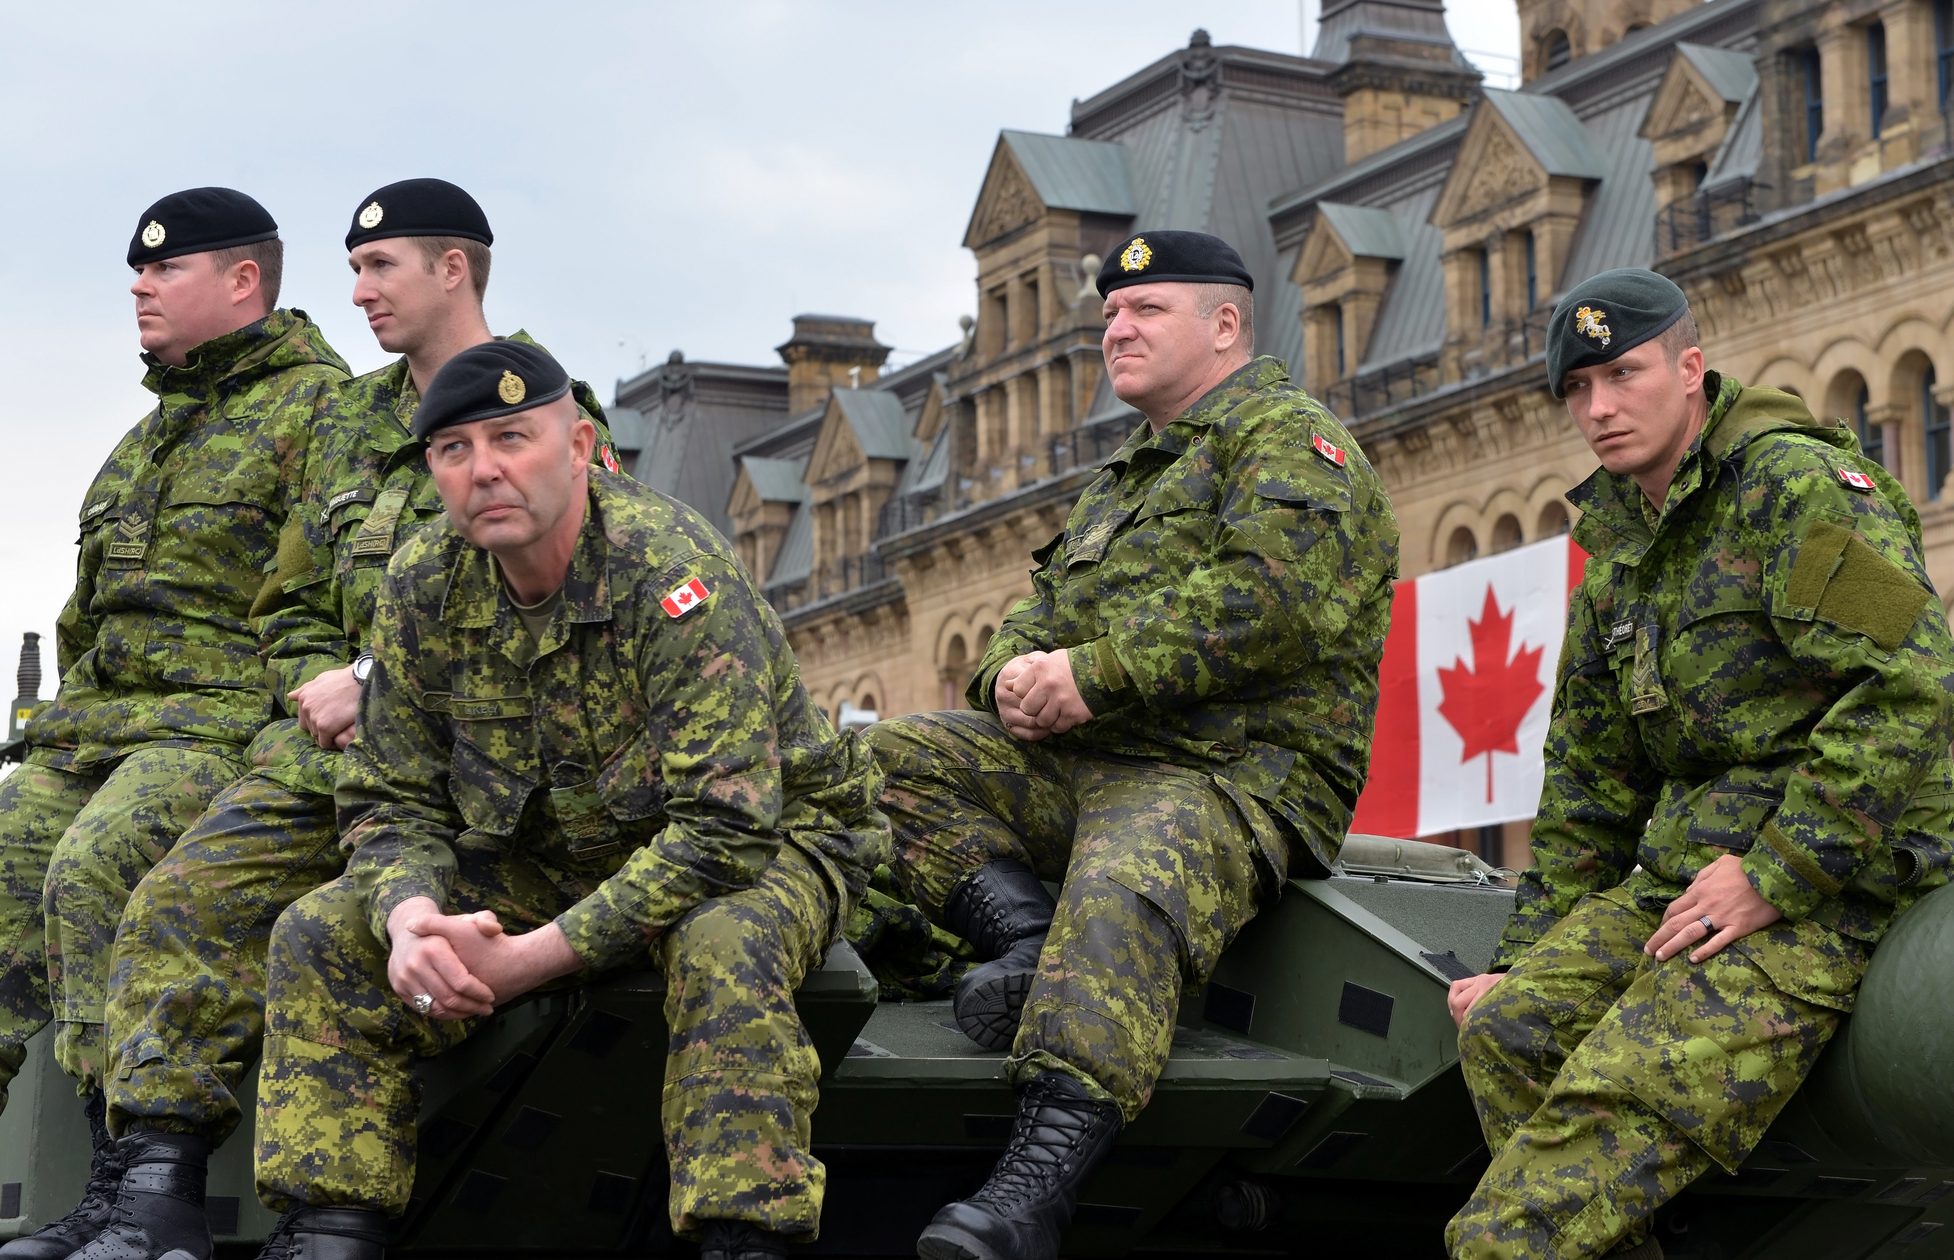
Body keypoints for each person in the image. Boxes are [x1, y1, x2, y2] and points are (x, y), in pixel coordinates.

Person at [39, 180, 617, 1260]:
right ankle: (154, 1191)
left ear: (453, 268)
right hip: (328, 759)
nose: (355, 292)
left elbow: (566, 587)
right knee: (179, 894)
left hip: (477, 767)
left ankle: (319, 1217)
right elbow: (290, 595)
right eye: (351, 269)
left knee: (318, 935)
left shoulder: (541, 406)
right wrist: (316, 675)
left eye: (378, 267)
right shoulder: (351, 419)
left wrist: (374, 674)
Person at [245, 341, 887, 1260]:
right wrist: (412, 920)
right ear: (432, 468)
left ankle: (744, 1236)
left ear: (581, 444)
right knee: (319, 931)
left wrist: (533, 959)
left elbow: (725, 825)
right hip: (554, 850)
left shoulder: (668, 572)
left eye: (513, 437)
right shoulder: (424, 584)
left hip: (768, 839)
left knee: (723, 943)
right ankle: (329, 1229)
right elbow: (389, 798)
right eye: (455, 449)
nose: (486, 469)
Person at [870, 229, 1400, 1260]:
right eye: (1110, 313)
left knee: (1125, 879)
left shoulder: (1290, 441)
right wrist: (1012, 683)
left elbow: (1269, 601)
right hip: (1090, 764)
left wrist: (1092, 676)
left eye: (1145, 310)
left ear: (1225, 324)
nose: (1116, 328)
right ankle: (1023, 939)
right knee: (888, 759)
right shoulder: (1126, 477)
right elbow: (1035, 618)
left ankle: (1031, 1192)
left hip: (1232, 774)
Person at [1444, 268, 1954, 1260]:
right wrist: (1517, 964)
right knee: (1509, 1036)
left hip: (1838, 877)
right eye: (1576, 390)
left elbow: (1911, 685)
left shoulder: (1790, 486)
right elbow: (1588, 792)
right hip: (1690, 880)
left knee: (1509, 1229)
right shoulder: (1622, 550)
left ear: (1688, 369)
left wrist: (1775, 874)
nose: (1598, 408)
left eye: (1622, 375)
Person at [0, 189, 348, 1260]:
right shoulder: (144, 439)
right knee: (8, 854)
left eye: (164, 271)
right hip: (100, 726)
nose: (140, 288)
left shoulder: (321, 414)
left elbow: (330, 597)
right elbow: (89, 613)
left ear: (242, 281)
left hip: (219, 731)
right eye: (136, 274)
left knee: (97, 867)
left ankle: (128, 1185)